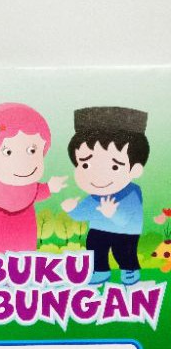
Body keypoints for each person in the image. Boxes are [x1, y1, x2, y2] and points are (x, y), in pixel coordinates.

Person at [61, 106, 149, 286]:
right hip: (99, 228)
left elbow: (126, 219)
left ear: (135, 170)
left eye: (115, 166)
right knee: (94, 245)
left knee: (123, 251)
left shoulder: (131, 193)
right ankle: (100, 269)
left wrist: (113, 214)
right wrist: (72, 210)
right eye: (86, 165)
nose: (98, 176)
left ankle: (129, 267)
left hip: (126, 232)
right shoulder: (95, 196)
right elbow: (83, 213)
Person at [0, 103, 66, 252]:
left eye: (32, 150)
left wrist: (50, 187)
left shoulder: (30, 189)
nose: (22, 162)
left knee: (26, 257)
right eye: (8, 152)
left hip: (26, 243)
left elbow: (38, 192)